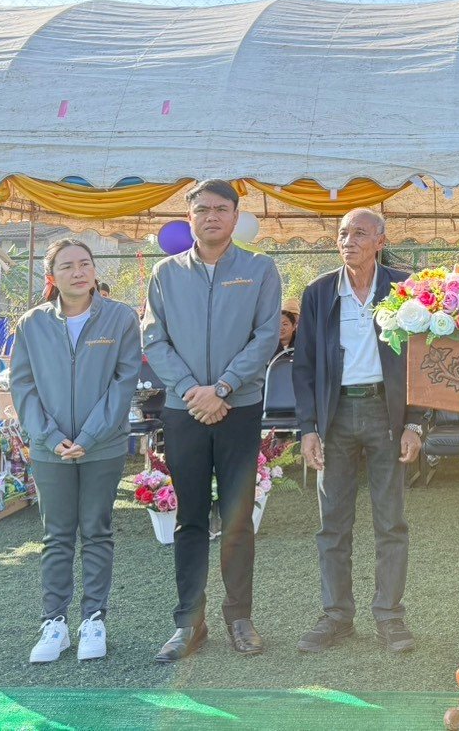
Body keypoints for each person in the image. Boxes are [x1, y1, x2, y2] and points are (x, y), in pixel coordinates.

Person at [142, 179, 283, 663]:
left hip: (238, 409)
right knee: (190, 518)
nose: (212, 217)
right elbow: (154, 339)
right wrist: (191, 391)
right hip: (184, 411)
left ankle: (239, 618)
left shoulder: (260, 269)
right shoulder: (164, 273)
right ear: (190, 218)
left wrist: (222, 388)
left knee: (238, 517)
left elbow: (266, 335)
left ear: (236, 216)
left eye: (221, 209)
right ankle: (189, 623)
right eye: (202, 209)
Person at [292, 208, 423, 655]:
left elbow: (423, 359)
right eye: (343, 233)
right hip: (335, 417)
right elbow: (304, 364)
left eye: (360, 233)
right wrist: (308, 428)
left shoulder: (406, 289)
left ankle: (390, 616)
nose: (349, 241)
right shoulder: (319, 292)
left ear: (380, 241)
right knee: (332, 523)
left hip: (387, 415)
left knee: (391, 521)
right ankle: (336, 616)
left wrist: (414, 422)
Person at [11, 239, 141, 663]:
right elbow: (23, 385)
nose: (79, 272)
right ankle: (54, 623)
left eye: (85, 263)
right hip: (50, 450)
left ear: (94, 270)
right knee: (57, 535)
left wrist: (90, 435)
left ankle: (93, 620)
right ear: (52, 276)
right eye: (67, 266)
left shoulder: (120, 318)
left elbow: (124, 381)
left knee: (97, 530)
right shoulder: (31, 323)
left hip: (102, 446)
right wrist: (50, 437)